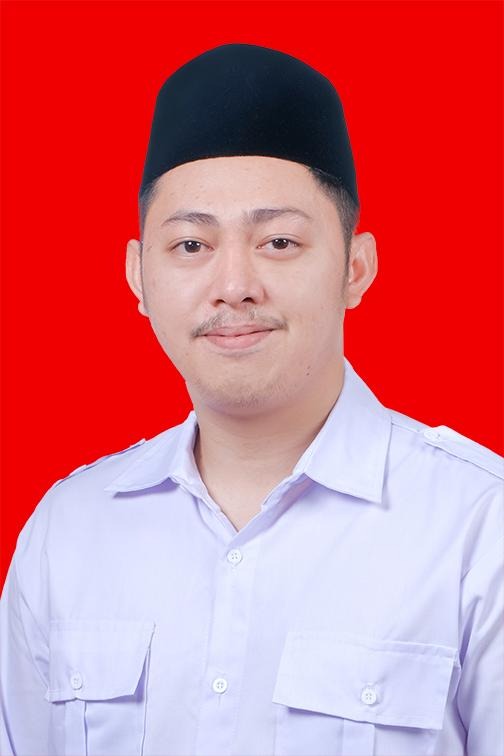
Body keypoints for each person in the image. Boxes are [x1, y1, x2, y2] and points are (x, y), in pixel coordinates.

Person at [1, 43, 502, 756]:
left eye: (279, 241)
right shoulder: (69, 531)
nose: (234, 285)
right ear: (138, 276)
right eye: (191, 246)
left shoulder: (479, 527)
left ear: (356, 268)